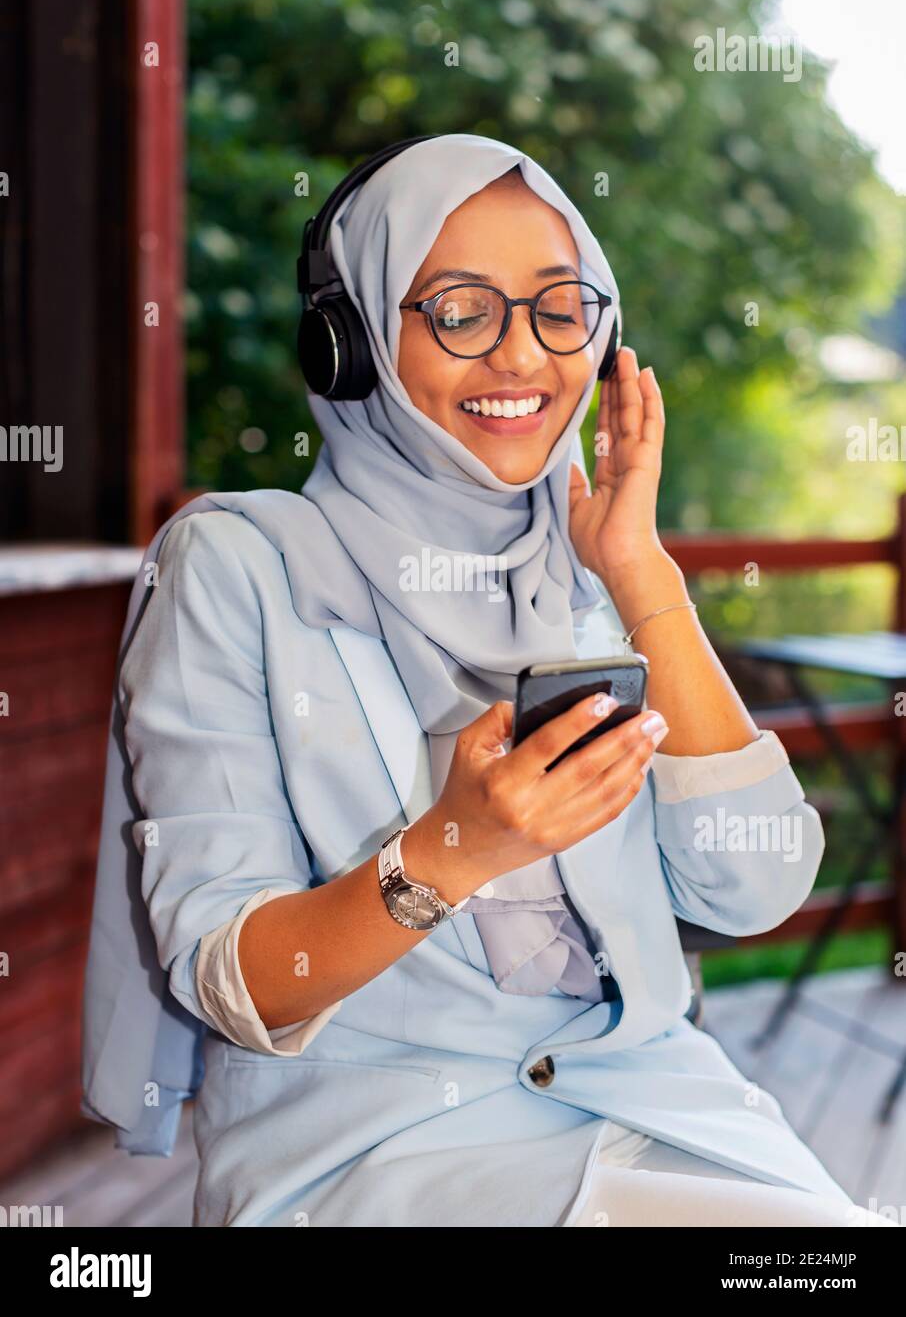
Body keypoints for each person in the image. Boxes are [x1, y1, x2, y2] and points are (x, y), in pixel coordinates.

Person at [82, 133, 896, 1227]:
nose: (523, 356)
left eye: (560, 308)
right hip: (373, 1156)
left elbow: (754, 888)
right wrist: (457, 850)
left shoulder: (597, 564)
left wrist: (642, 573)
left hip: (656, 1114)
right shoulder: (235, 569)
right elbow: (234, 980)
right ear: (352, 341)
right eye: (462, 310)